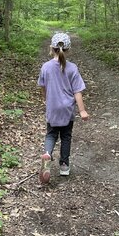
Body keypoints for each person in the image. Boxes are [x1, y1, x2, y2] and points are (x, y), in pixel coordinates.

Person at [37, 32, 89, 184]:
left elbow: (43, 87)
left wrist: (46, 100)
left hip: (52, 108)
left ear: (51, 48)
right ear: (68, 49)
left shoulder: (46, 67)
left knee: (51, 134)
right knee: (66, 136)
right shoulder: (72, 68)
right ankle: (64, 165)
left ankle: (47, 154)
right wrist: (82, 111)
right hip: (67, 109)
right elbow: (77, 91)